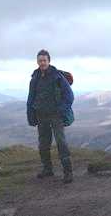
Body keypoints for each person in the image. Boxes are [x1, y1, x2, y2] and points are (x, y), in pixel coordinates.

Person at [26, 49, 74, 184]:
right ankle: (48, 169)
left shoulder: (57, 77)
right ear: (37, 61)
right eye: (40, 60)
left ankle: (68, 172)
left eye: (44, 60)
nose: (42, 63)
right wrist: (30, 114)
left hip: (55, 116)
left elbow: (69, 96)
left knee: (61, 143)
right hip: (41, 116)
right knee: (43, 144)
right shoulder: (34, 78)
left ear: (49, 61)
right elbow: (31, 97)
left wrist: (61, 110)